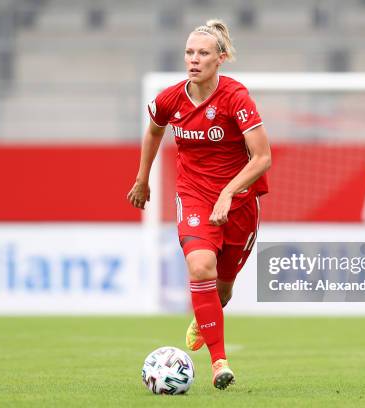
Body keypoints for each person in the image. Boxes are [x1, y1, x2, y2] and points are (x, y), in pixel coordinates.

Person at [127, 19, 271, 390]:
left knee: (222, 289)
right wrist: (142, 178)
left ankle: (202, 318)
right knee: (200, 266)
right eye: (189, 52)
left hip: (239, 202)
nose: (194, 59)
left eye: (203, 53)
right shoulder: (170, 98)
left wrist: (228, 192)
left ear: (220, 59)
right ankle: (218, 362)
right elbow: (154, 130)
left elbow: (262, 157)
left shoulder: (236, 98)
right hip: (193, 195)